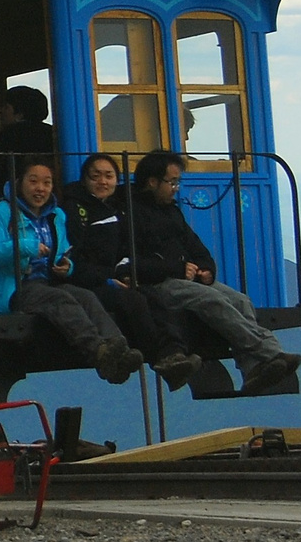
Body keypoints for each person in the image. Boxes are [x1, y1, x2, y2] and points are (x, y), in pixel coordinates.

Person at [128, 150, 301, 394]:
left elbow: (196, 248)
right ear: (152, 182)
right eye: (172, 182)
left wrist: (207, 270)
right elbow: (131, 262)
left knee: (240, 301)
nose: (176, 188)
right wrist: (176, 268)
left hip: (186, 279)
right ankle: (270, 353)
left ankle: (252, 369)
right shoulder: (131, 214)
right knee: (210, 299)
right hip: (157, 284)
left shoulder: (171, 212)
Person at [0, 158, 144, 381]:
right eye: (33, 181)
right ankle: (98, 351)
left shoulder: (56, 215)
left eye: (47, 183)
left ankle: (118, 348)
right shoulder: (0, 212)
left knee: (86, 297)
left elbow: (64, 250)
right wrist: (27, 247)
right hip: (16, 286)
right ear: (19, 183)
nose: (40, 188)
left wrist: (68, 266)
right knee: (59, 299)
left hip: (48, 281)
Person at [62, 154, 205, 388]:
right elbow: (76, 259)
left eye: (109, 176)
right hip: (90, 281)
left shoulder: (119, 207)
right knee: (134, 301)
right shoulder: (75, 210)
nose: (102, 182)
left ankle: (175, 353)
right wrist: (107, 279)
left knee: (155, 297)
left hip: (116, 275)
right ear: (84, 180)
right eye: (95, 176)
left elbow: (125, 249)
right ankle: (159, 357)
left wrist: (124, 271)